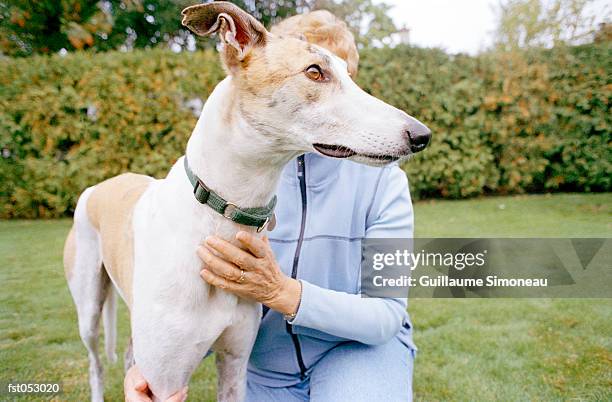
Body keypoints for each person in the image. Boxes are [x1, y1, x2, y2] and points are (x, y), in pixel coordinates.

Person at [125, 10, 416, 402]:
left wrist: (284, 293)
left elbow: (387, 315)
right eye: (316, 74)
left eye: (342, 76)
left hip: (355, 351)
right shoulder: (220, 194)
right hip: (263, 367)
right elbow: (176, 310)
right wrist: (142, 369)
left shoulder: (384, 181)